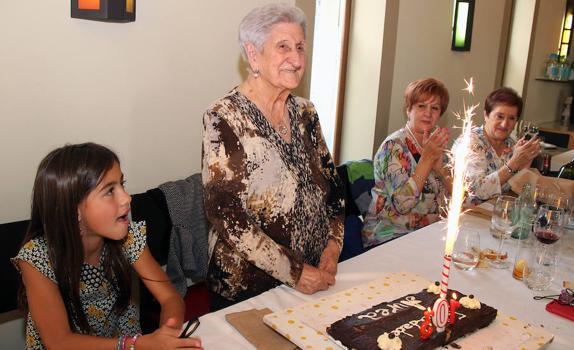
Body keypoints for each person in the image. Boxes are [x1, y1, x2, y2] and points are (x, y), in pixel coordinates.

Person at [202, 3, 344, 309]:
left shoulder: (306, 112)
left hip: (315, 277)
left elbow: (334, 190)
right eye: (283, 47)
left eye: (300, 47)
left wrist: (333, 246)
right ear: (254, 55)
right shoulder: (225, 117)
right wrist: (294, 272)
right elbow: (227, 216)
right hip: (249, 286)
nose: (296, 59)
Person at [12, 143, 203, 350]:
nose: (127, 198)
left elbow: (170, 297)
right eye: (110, 191)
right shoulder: (37, 258)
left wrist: (168, 331)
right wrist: (137, 345)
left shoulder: (129, 238)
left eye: (122, 184)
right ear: (73, 210)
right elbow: (59, 342)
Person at [362, 78, 452, 248]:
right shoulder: (394, 146)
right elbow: (402, 204)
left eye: (435, 108)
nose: (428, 113)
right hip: (390, 236)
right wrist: (426, 160)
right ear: (408, 109)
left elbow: (459, 199)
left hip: (428, 234)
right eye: (421, 106)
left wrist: (440, 169)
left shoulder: (437, 145)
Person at [455, 87, 540, 204]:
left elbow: (518, 191)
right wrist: (514, 163)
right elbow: (477, 190)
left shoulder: (512, 143)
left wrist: (525, 164)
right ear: (486, 115)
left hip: (498, 213)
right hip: (468, 215)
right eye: (499, 116)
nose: (505, 124)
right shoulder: (470, 142)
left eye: (511, 118)